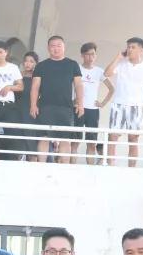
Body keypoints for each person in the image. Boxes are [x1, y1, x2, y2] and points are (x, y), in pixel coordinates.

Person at [29, 35, 83, 164]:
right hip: (45, 107)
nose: (56, 48)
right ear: (48, 48)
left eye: (59, 45)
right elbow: (35, 86)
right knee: (44, 137)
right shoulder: (41, 66)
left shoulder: (72, 64)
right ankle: (41, 164)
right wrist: (33, 105)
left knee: (65, 138)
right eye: (53, 46)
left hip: (66, 107)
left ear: (64, 47)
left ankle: (65, 166)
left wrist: (80, 103)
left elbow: (78, 85)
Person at [105, 37, 143, 168]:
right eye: (128, 47)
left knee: (133, 138)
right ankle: (110, 166)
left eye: (133, 47)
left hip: (136, 106)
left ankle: (132, 169)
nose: (129, 49)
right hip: (118, 104)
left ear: (141, 50)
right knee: (113, 137)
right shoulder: (121, 64)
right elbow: (107, 73)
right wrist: (118, 58)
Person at [78, 42, 113, 165]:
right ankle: (71, 167)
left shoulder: (99, 71)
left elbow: (112, 89)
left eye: (93, 54)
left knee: (92, 143)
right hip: (78, 108)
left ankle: (90, 168)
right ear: (82, 55)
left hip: (93, 110)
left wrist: (102, 103)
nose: (90, 57)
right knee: (74, 141)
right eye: (87, 54)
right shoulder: (77, 68)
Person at [10, 51, 40, 160]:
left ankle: (32, 164)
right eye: (26, 61)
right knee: (17, 139)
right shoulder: (17, 76)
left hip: (31, 110)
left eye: (31, 61)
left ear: (36, 63)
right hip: (17, 110)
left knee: (31, 139)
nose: (28, 64)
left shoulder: (38, 78)